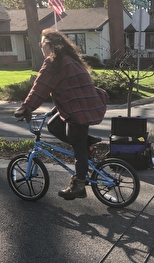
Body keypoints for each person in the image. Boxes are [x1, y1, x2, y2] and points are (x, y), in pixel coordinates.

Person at [14, 29, 108, 200]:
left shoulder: (54, 63)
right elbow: (70, 89)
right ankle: (88, 142)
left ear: (50, 45)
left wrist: (25, 108)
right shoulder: (71, 60)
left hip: (78, 111)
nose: (41, 47)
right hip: (84, 106)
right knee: (53, 124)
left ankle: (79, 185)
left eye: (42, 44)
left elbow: (39, 87)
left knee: (78, 146)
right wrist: (55, 109)